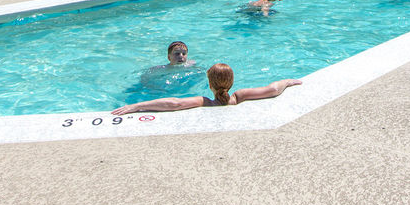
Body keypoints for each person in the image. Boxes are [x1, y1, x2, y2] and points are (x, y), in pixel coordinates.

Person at [111, 63, 303, 115]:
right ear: (232, 82)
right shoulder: (240, 96)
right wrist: (286, 81)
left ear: (210, 85)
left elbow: (174, 103)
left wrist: (137, 106)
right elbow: (272, 89)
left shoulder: (205, 101)